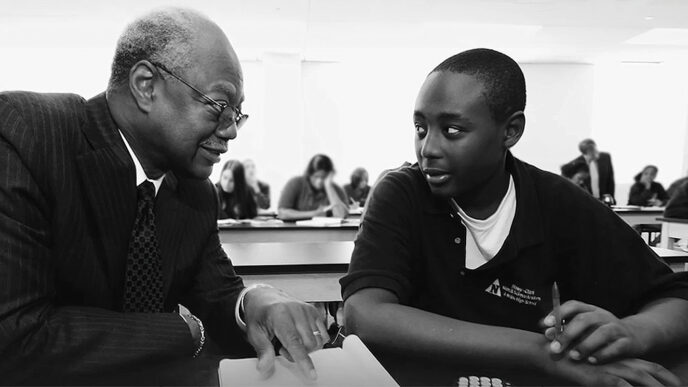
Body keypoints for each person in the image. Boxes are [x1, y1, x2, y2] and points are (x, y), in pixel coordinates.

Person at [0, 8, 329, 385]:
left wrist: (254, 302)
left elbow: (216, 291)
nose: (232, 131)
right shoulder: (26, 136)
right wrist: (182, 332)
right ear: (146, 85)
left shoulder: (196, 193)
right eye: (220, 106)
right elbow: (15, 333)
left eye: (238, 113)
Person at [340, 48, 688, 386]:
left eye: (452, 130)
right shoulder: (401, 192)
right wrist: (541, 353)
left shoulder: (558, 202)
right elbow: (366, 314)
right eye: (420, 128)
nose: (428, 148)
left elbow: (676, 298)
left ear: (511, 131)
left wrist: (635, 332)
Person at [278, 154, 348, 220]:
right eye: (316, 176)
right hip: (296, 231)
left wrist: (328, 186)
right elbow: (282, 213)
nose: (319, 181)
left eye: (324, 177)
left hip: (325, 232)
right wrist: (314, 214)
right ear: (309, 174)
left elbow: (341, 215)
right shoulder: (295, 183)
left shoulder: (335, 189)